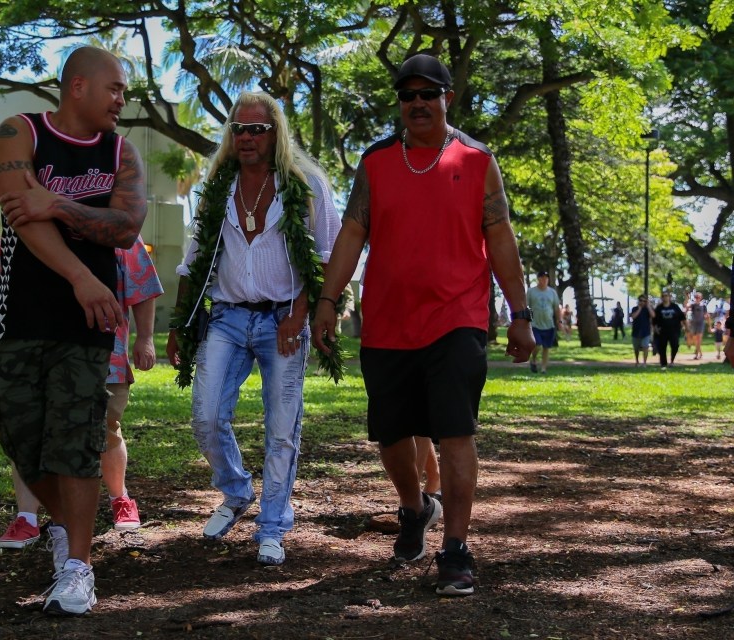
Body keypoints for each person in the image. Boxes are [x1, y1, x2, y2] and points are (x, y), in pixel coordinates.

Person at [310, 54, 535, 597]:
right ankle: (415, 508)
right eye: (407, 95)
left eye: (427, 94)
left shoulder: (478, 159)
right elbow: (351, 234)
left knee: (455, 433)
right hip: (387, 322)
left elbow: (501, 238)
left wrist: (520, 314)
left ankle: (455, 550)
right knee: (391, 435)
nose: (416, 103)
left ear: (446, 99)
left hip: (457, 318)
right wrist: (326, 300)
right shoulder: (377, 161)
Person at [0, 46, 147, 616]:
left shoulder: (122, 152)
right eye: (116, 89)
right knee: (17, 431)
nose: (122, 101)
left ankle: (78, 567)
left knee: (76, 441)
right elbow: (20, 215)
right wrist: (81, 271)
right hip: (21, 315)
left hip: (88, 323)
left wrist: (55, 201)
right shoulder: (18, 132)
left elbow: (127, 227)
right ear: (78, 86)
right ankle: (63, 528)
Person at [165, 91, 341, 566]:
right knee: (205, 415)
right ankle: (237, 489)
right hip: (226, 316)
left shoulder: (306, 185)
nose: (245, 137)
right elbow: (194, 256)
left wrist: (300, 315)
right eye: (238, 129)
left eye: (256, 129)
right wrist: (180, 324)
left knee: (282, 427)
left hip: (284, 316)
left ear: (275, 132)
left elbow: (327, 257)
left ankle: (272, 524)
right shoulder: (219, 186)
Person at [0, 236, 163, 548]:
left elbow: (142, 287)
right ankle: (27, 517)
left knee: (105, 430)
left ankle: (119, 496)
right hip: (32, 347)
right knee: (29, 433)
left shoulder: (112, 223)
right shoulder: (26, 225)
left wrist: (145, 337)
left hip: (104, 352)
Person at [526, 271, 561, 374]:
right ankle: (533, 359)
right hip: (535, 324)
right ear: (538, 279)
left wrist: (559, 321)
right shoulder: (531, 291)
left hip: (549, 324)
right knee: (537, 344)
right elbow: (527, 307)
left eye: (546, 278)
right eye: (542, 277)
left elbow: (556, 308)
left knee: (546, 347)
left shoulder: (552, 292)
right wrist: (526, 321)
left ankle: (543, 369)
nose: (544, 279)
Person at [653, 291, 686, 369]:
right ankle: (663, 364)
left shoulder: (675, 307)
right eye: (663, 296)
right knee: (662, 347)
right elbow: (654, 320)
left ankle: (672, 361)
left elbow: (682, 318)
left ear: (669, 297)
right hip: (662, 331)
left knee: (675, 346)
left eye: (667, 296)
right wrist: (655, 329)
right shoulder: (659, 308)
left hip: (674, 331)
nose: (665, 297)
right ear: (662, 297)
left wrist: (686, 327)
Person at [630, 295, 655, 366]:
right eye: (641, 300)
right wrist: (639, 308)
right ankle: (637, 361)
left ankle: (644, 362)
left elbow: (653, 316)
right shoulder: (634, 308)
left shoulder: (648, 309)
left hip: (646, 331)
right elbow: (633, 316)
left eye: (644, 301)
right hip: (636, 331)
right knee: (636, 348)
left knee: (645, 347)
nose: (642, 302)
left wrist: (648, 306)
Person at [685, 292, 707, 360]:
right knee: (695, 339)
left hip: (700, 324)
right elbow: (686, 306)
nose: (697, 298)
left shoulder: (703, 305)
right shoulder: (693, 305)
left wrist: (707, 320)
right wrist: (687, 298)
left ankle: (697, 354)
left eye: (698, 297)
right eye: (696, 297)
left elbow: (706, 314)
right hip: (693, 324)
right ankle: (700, 353)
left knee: (699, 339)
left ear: (701, 298)